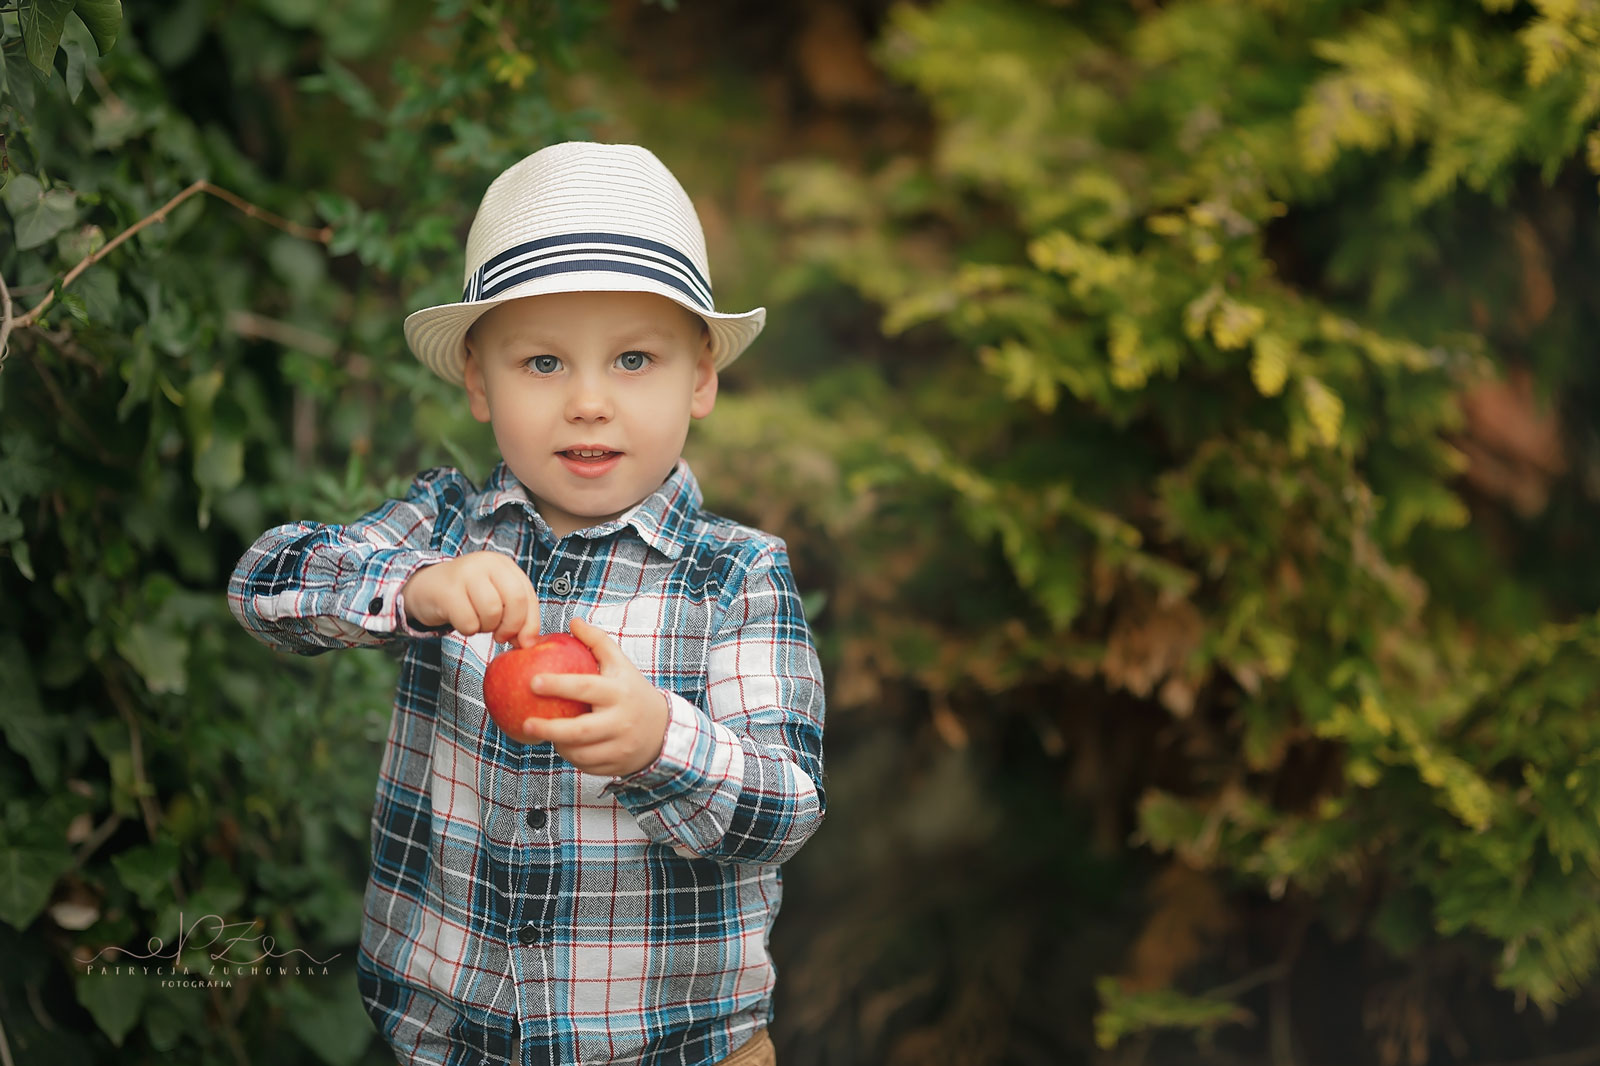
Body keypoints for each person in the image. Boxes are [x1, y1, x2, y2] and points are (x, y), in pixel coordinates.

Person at [228, 142, 825, 1066]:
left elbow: (785, 809)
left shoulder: (736, 576)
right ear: (478, 379)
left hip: (677, 1048)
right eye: (543, 362)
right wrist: (414, 587)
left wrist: (658, 742)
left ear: (701, 377)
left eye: (634, 359)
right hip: (450, 1043)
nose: (588, 402)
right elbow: (265, 584)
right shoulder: (443, 527)